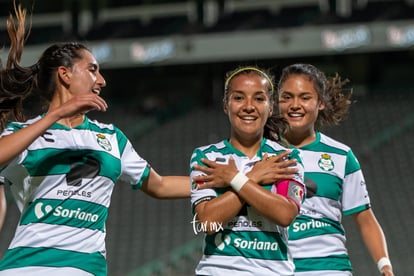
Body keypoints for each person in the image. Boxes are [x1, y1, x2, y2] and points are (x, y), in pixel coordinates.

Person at [0, 4, 189, 276]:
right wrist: (57, 115)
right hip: (24, 266)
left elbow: (159, 186)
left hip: (83, 267)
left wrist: (226, 182)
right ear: (64, 74)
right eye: (92, 69)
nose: (101, 80)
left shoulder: (112, 138)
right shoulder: (25, 132)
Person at [277, 63, 393, 275]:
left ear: (320, 103)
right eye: (287, 97)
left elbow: (365, 218)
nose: (295, 105)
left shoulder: (341, 156)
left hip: (329, 269)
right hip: (275, 268)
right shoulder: (260, 153)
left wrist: (384, 264)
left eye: (305, 97)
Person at [190, 66, 306, 275]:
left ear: (271, 107)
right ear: (226, 105)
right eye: (239, 98)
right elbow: (207, 221)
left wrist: (234, 178)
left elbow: (285, 213)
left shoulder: (286, 158)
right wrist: (253, 177)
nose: (249, 106)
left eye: (259, 99)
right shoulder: (205, 157)